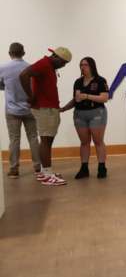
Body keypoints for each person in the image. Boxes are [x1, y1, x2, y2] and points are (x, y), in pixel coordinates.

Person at [19, 47, 71, 186]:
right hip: (45, 108)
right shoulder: (44, 63)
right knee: (46, 140)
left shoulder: (48, 65)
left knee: (47, 140)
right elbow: (24, 75)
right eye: (63, 62)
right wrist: (30, 96)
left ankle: (44, 172)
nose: (63, 65)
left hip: (48, 107)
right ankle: (47, 175)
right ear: (56, 57)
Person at [60, 57, 109, 179]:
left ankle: (102, 167)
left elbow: (104, 98)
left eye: (85, 65)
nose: (83, 67)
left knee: (98, 141)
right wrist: (64, 108)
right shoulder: (78, 82)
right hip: (80, 114)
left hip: (97, 113)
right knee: (84, 142)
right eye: (81, 65)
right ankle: (84, 168)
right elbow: (76, 99)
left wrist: (87, 96)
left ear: (92, 66)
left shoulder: (100, 80)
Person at [0, 43, 41, 178]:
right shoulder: (30, 67)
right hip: (29, 109)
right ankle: (37, 167)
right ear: (23, 53)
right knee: (33, 138)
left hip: (12, 110)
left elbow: (1, 85)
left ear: (10, 53)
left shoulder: (3, 68)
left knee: (14, 139)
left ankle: (14, 169)